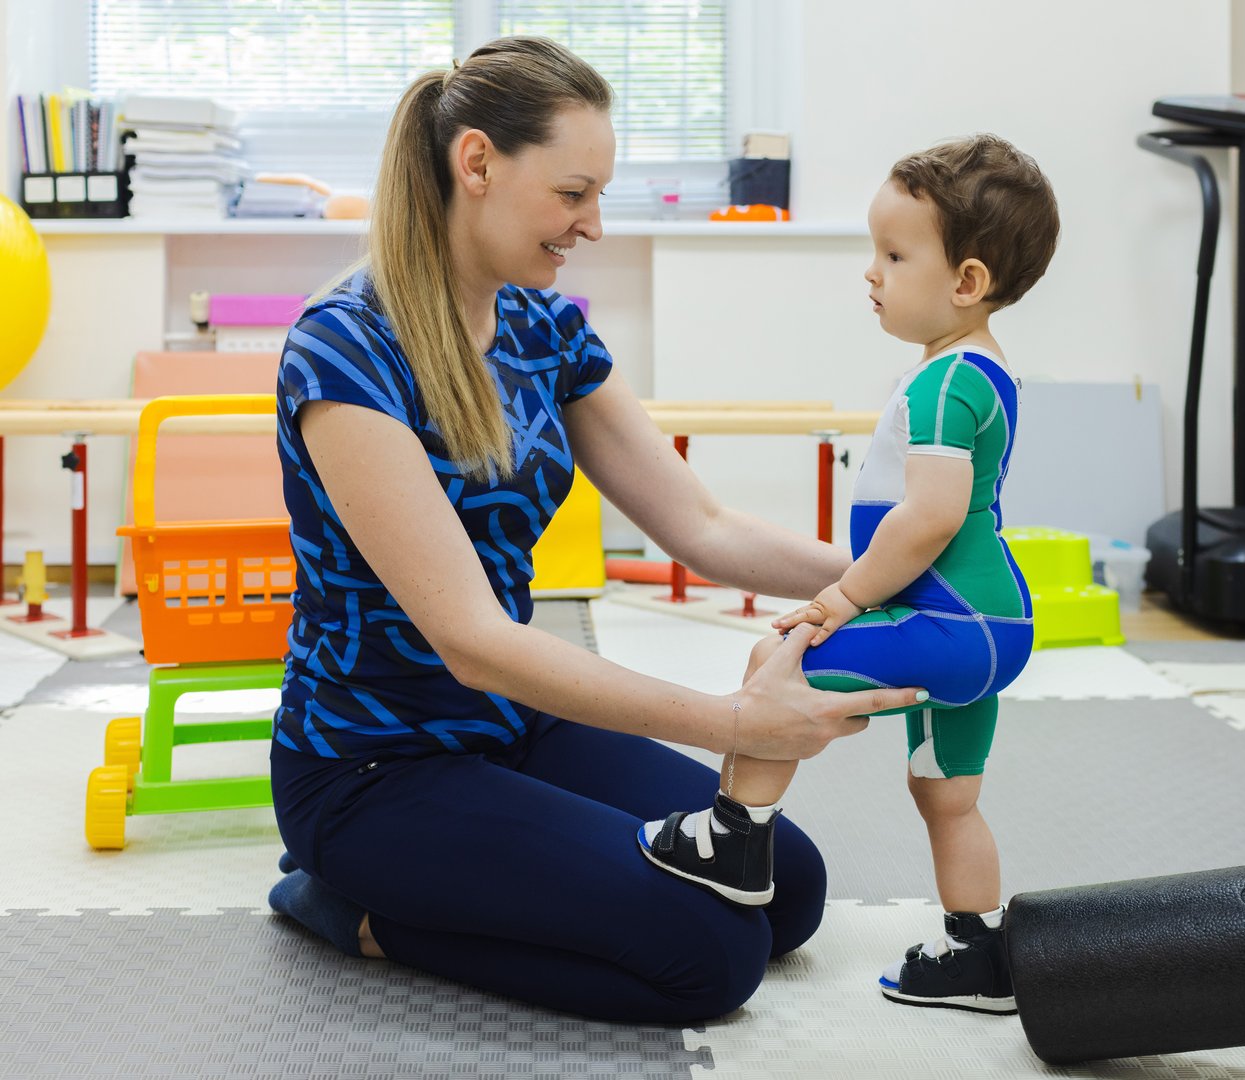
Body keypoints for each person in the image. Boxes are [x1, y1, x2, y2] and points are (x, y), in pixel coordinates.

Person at [264, 35, 926, 1025]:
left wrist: (902, 577)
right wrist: (733, 725)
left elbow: (699, 524)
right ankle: (354, 909)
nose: (595, 226)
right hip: (376, 767)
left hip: (513, 727)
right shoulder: (345, 349)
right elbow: (472, 641)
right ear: (477, 163)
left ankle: (449, 881)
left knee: (786, 890)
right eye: (575, 194)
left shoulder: (546, 327)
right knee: (711, 956)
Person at [639, 135, 1062, 1014]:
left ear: (968, 282)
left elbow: (932, 517)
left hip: (955, 622)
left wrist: (841, 597)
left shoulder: (946, 385)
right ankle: (977, 950)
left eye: (895, 255)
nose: (871, 272)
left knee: (778, 661)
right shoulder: (974, 370)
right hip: (986, 627)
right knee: (945, 793)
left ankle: (734, 838)